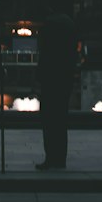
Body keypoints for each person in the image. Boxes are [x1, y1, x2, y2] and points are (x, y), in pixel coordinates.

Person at [36, 11, 77, 171]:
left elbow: (44, 53)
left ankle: (50, 157)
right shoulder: (69, 23)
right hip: (64, 77)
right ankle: (60, 158)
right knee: (61, 119)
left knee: (49, 120)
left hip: (50, 78)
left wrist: (39, 77)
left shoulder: (49, 24)